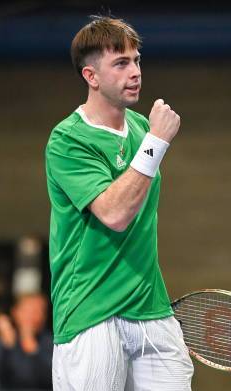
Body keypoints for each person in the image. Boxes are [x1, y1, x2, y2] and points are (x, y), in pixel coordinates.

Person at [45, 16, 193, 391]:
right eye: (121, 63)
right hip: (90, 311)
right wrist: (157, 142)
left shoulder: (143, 128)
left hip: (150, 307)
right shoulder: (67, 140)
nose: (135, 72)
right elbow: (114, 213)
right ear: (91, 77)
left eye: (137, 60)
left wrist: (151, 138)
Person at [0, 293, 52, 390]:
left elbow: (49, 377)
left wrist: (32, 348)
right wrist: (8, 345)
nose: (35, 316)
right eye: (30, 310)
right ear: (15, 312)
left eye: (41, 311)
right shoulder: (3, 341)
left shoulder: (49, 341)